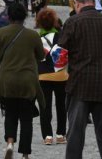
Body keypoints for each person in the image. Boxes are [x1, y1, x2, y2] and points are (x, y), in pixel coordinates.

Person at [57, 0, 102, 159]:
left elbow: (60, 56)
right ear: (93, 2)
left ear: (76, 3)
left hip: (80, 85)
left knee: (75, 135)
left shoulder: (73, 22)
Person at [0, 2, 44, 159]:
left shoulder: (1, 33)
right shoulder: (33, 35)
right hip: (27, 81)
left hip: (7, 80)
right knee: (26, 119)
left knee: (10, 114)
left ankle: (9, 142)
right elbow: (41, 56)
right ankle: (25, 154)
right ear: (24, 17)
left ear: (9, 17)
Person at [35, 7, 68, 146]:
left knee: (45, 106)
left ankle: (47, 136)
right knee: (61, 106)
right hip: (60, 75)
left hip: (43, 76)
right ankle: (61, 134)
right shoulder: (62, 36)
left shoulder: (37, 38)